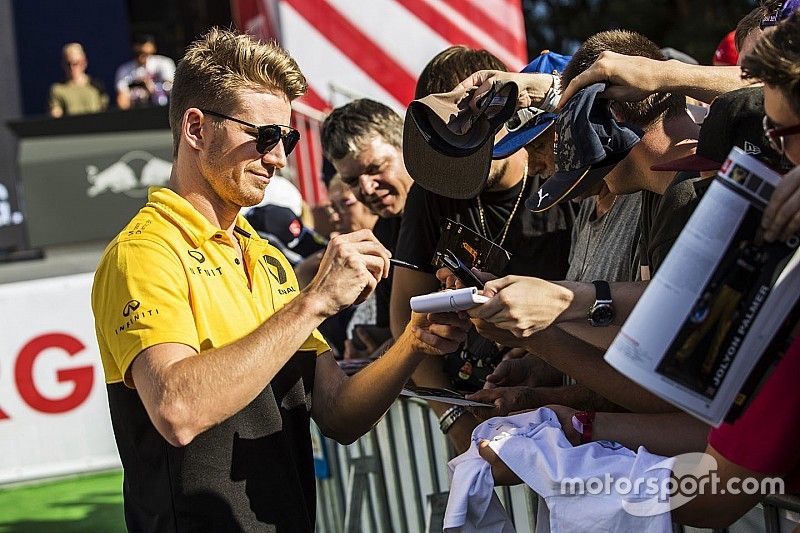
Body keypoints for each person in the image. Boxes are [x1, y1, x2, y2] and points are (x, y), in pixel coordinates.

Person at [91, 28, 468, 532]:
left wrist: (416, 338)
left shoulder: (264, 258)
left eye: (286, 138)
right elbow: (176, 409)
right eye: (264, 136)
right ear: (196, 129)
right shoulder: (143, 253)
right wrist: (312, 303)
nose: (279, 158)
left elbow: (337, 413)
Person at [321, 99, 410, 339]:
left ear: (407, 147)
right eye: (351, 181)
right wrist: (372, 340)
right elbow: (402, 331)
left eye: (375, 168)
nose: (366, 189)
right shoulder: (383, 234)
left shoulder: (456, 204)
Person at [115, 33, 176, 110]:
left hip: (164, 111)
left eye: (145, 53)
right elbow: (122, 102)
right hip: (137, 113)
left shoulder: (163, 63)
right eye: (138, 52)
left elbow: (173, 90)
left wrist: (154, 88)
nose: (141, 55)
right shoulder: (124, 70)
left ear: (153, 47)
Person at [48, 42, 108, 117]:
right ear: (63, 64)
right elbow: (56, 113)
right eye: (68, 64)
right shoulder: (57, 89)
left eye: (75, 63)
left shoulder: (96, 86)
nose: (72, 68)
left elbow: (104, 110)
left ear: (84, 63)